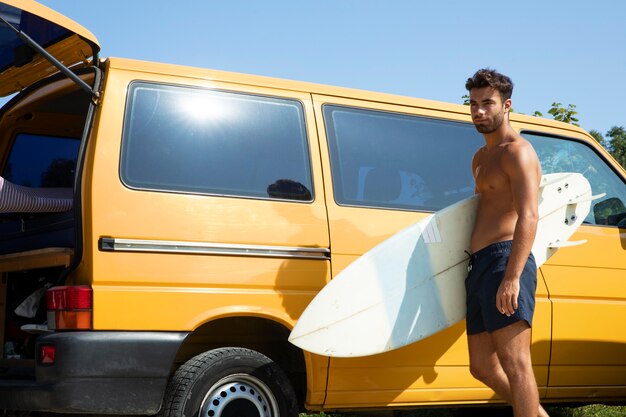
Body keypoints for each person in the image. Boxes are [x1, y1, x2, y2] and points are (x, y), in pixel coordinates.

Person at [464, 68, 548, 417]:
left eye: (487, 103)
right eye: (473, 104)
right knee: (481, 366)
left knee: (516, 363)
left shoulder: (519, 152)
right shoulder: (481, 158)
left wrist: (512, 276)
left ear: (506, 105)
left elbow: (529, 215)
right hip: (479, 264)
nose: (479, 111)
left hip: (505, 260)